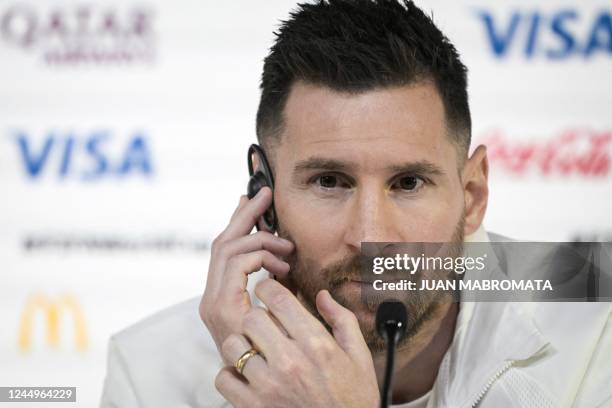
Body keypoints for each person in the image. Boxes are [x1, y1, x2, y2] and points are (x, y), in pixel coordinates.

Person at [100, 1, 612, 407]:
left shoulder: (598, 323)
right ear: (263, 193)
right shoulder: (151, 371)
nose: (370, 233)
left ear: (472, 195)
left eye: (409, 183)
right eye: (329, 181)